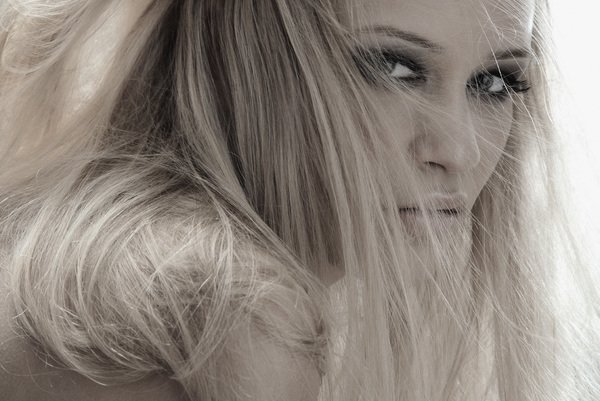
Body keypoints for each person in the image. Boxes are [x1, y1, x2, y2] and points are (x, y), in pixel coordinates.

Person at [0, 0, 598, 400]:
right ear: (249, 57)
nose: (458, 150)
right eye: (393, 68)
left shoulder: (101, 259)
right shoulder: (217, 311)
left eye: (495, 83)